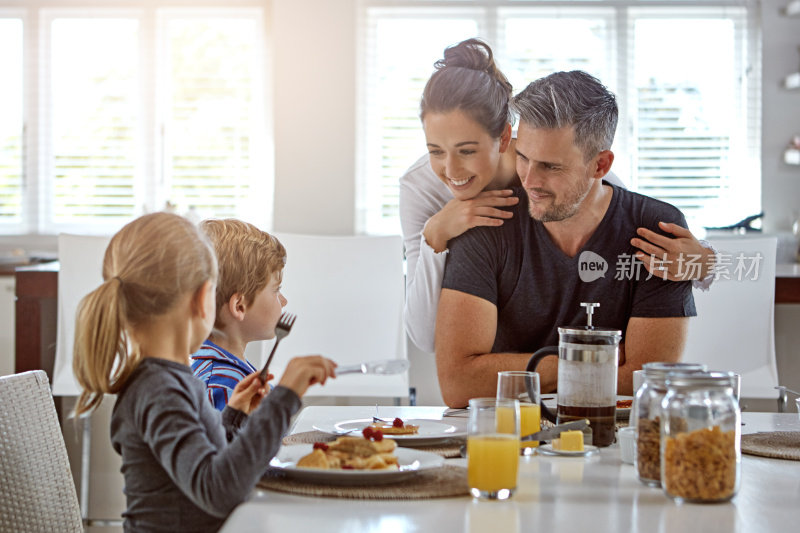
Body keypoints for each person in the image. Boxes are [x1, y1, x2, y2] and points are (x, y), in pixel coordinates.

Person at [399, 38, 715, 354]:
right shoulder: (421, 188)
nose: (451, 169)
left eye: (467, 150)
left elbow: (625, 225)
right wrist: (435, 235)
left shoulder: (562, 163)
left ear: (505, 136)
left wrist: (704, 264)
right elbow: (426, 338)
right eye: (435, 150)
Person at [435, 71, 696, 407]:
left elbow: (647, 381)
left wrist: (515, 372)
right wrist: (585, 363)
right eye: (524, 158)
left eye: (551, 167)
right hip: (512, 435)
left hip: (612, 438)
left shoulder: (656, 232)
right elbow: (458, 384)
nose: (529, 180)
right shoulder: (486, 223)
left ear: (600, 164)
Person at [72, 212, 337, 532]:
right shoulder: (160, 390)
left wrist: (234, 417)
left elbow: (203, 463)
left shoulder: (168, 379)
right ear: (203, 299)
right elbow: (218, 490)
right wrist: (285, 397)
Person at [191, 218, 287, 411]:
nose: (284, 301)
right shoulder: (220, 385)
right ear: (239, 306)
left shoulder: (232, 370)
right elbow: (230, 441)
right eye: (276, 290)